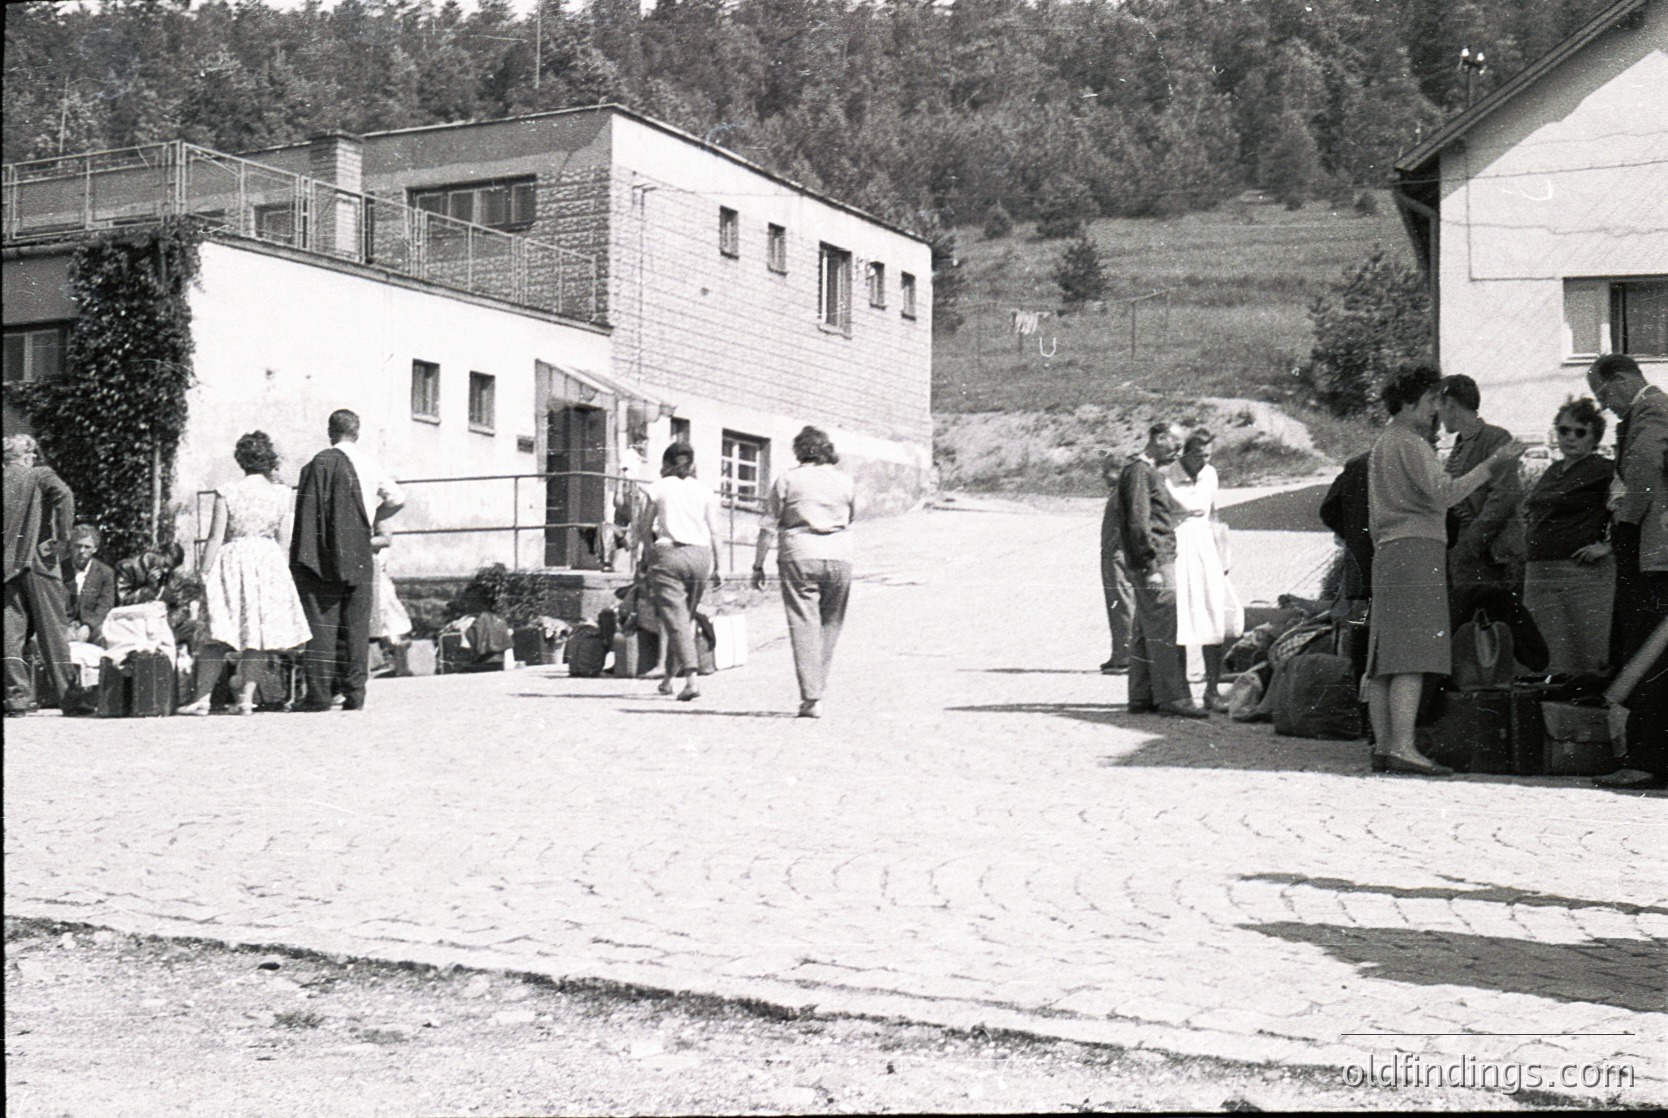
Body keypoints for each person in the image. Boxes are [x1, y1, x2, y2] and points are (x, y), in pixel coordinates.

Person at [1366, 366, 1524, 776]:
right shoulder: (1412, 445)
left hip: (1388, 551)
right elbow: (1447, 493)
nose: (1438, 409)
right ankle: (1404, 746)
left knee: (1386, 654)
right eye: (1433, 400)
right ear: (1411, 401)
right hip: (1418, 549)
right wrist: (1494, 463)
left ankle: (1384, 746)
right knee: (1413, 654)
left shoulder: (1384, 443)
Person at [179, 432, 313, 715]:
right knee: (257, 634)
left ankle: (202, 699)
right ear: (268, 460)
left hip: (234, 559)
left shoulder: (228, 492)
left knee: (217, 633)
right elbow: (284, 540)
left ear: (241, 460)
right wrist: (283, 575)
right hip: (267, 560)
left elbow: (216, 537)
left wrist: (203, 573)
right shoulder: (281, 494)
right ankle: (245, 700)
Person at [1585, 355, 1668, 789]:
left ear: (1619, 380)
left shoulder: (1651, 408)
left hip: (1653, 555)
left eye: (1603, 395)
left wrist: (1624, 519)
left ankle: (1646, 760)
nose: (1604, 406)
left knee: (1647, 656)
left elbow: (1646, 470)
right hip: (1655, 553)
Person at [291, 409, 399, 712]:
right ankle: (355, 695)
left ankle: (319, 696)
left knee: (322, 623)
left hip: (322, 552)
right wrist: (376, 518)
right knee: (356, 626)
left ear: (330, 431)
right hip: (360, 550)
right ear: (358, 432)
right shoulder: (369, 464)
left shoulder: (318, 463)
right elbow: (397, 498)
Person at [750, 426, 856, 718]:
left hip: (799, 554)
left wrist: (758, 564)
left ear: (799, 450)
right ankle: (817, 687)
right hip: (839, 556)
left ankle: (811, 697)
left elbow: (768, 526)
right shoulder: (844, 481)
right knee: (830, 623)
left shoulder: (787, 479)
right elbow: (850, 517)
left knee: (803, 623)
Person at [1117, 422, 1208, 719]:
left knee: (1146, 629)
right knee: (1166, 627)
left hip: (1154, 559)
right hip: (1155, 561)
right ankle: (1174, 697)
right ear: (1159, 438)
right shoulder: (1140, 472)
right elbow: (1137, 523)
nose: (1178, 451)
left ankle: (1142, 695)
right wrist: (1150, 566)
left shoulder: (1145, 472)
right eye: (1175, 444)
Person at [1521, 398, 1615, 676]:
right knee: (1541, 653)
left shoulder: (1604, 469)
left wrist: (1609, 547)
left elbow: (1632, 507)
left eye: (1580, 432)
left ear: (1595, 436)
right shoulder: (1552, 470)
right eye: (1563, 431)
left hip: (1580, 577)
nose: (1570, 437)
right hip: (1540, 573)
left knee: (1584, 652)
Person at [636, 442, 723, 702]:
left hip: (669, 556)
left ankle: (691, 681)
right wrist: (719, 567)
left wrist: (648, 557)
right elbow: (715, 532)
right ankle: (667, 681)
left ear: (666, 463)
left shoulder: (659, 487)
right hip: (701, 557)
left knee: (676, 620)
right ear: (691, 464)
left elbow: (644, 528)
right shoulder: (705, 491)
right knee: (683, 620)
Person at [1165, 429, 1243, 710]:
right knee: (1181, 619)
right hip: (1178, 546)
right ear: (1185, 452)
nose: (1202, 461)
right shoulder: (1167, 475)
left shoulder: (1210, 474)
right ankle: (1183, 692)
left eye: (1207, 455)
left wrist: (1223, 557)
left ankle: (1212, 690)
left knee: (1214, 616)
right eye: (1197, 455)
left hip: (1206, 547)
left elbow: (1215, 514)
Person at [1440, 375, 1525, 624]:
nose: (1438, 414)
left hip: (1488, 554)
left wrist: (1470, 544)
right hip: (1463, 553)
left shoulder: (1495, 438)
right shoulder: (1459, 444)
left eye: (1440, 406)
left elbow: (1504, 496)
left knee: (1488, 628)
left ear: (1452, 405)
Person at [3, 434, 79, 714]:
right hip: (38, 562)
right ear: (27, 456)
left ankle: (17, 700)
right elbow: (65, 495)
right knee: (53, 633)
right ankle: (69, 698)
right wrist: (61, 539)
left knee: (10, 637)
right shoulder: (38, 475)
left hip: (7, 568)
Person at [1098, 453, 1134, 675]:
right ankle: (1119, 653)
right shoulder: (1119, 493)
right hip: (1111, 554)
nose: (1103, 476)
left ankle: (1127, 657)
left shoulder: (1125, 494)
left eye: (1108, 471)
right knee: (1115, 603)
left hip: (1118, 554)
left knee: (1123, 603)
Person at [63, 523, 116, 645]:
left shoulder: (105, 573)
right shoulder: (59, 570)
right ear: (71, 546)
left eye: (87, 547)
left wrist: (88, 626)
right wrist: (66, 627)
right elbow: (53, 603)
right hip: (63, 625)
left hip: (92, 626)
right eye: (78, 546)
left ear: (95, 549)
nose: (82, 551)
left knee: (108, 640)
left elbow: (105, 604)